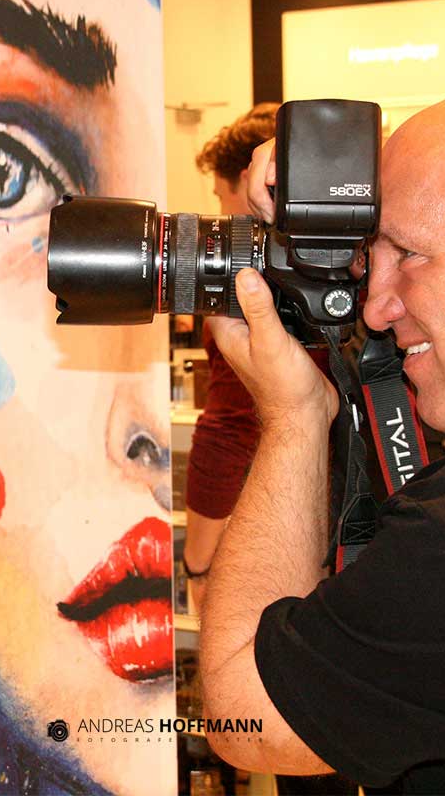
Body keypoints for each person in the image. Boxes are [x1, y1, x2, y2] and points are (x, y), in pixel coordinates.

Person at [200, 91, 445, 792]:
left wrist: (293, 418)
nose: (375, 308)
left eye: (408, 255)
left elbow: (244, 720)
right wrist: (323, 173)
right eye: (369, 254)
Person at [183, 102, 280, 607]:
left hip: (268, 520)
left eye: (221, 198)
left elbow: (229, 425)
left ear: (249, 180)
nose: (219, 218)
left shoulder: (249, 286)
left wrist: (198, 563)